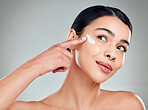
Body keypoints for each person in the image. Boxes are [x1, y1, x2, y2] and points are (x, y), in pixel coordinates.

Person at [0, 5, 145, 110]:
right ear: (72, 38)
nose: (112, 54)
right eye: (102, 37)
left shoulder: (128, 105)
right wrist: (36, 65)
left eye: (121, 48)